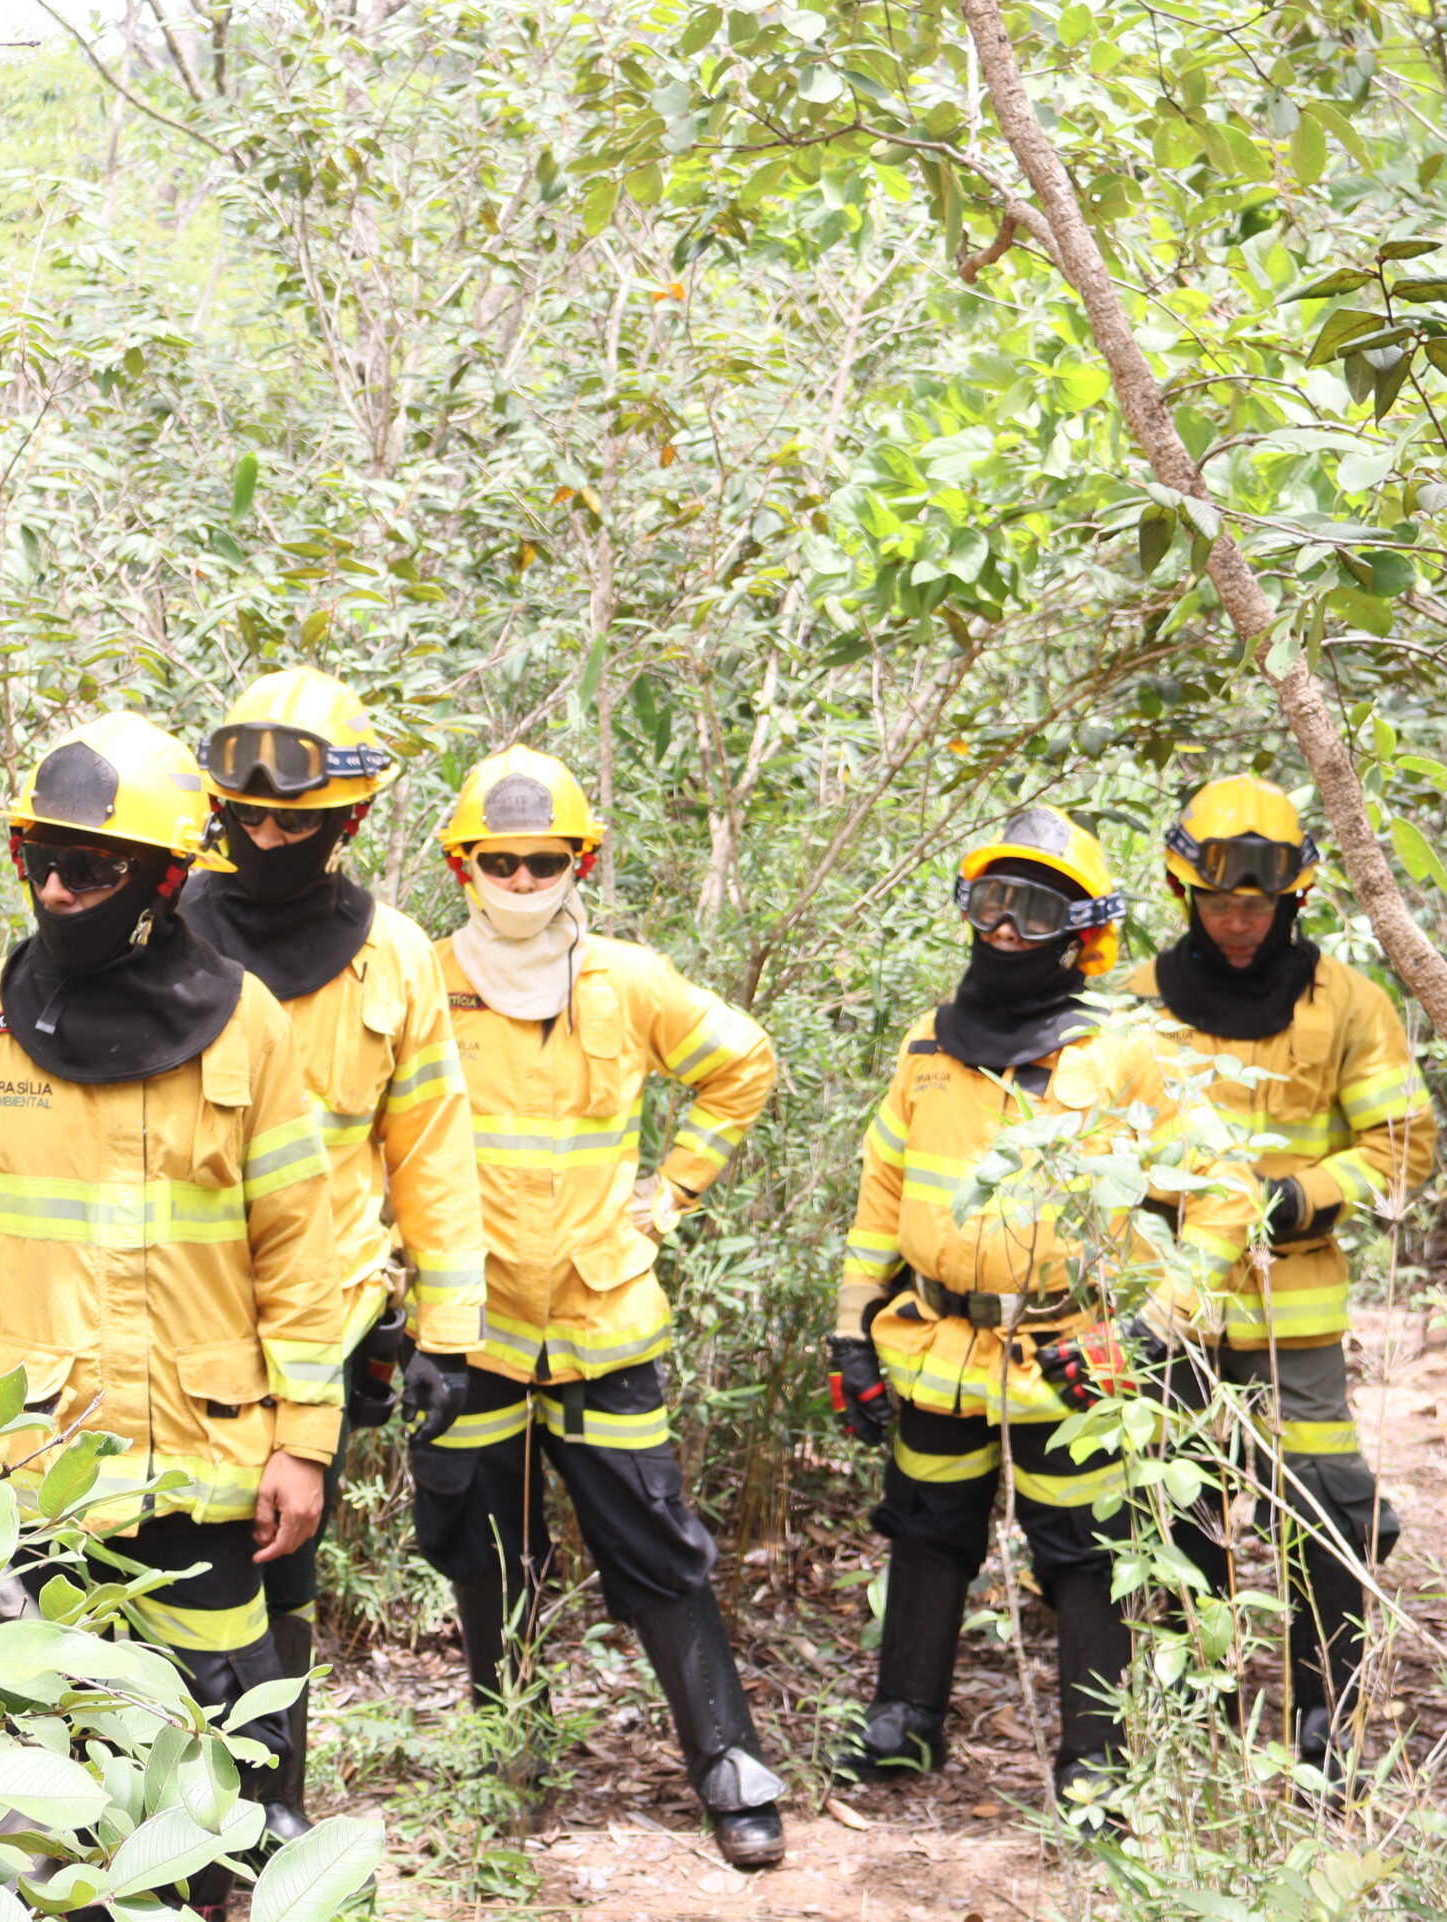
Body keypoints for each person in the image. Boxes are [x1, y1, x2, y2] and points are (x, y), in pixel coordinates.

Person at [0, 711, 347, 1870]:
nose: (59, 888)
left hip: (206, 1460)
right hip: (24, 1467)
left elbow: (298, 1251)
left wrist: (306, 1440)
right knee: (37, 1767)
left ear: (163, 877)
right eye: (40, 859)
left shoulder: (250, 1025)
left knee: (209, 1758)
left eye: (89, 865)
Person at [826, 805, 1253, 1820]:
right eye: (988, 901)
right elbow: (882, 1191)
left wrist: (1151, 1329)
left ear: (1083, 929)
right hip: (933, 1343)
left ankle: (1095, 1766)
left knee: (1081, 1551)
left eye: (1033, 906)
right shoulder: (926, 1043)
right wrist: (850, 1327)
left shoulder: (1122, 1050)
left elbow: (1225, 1191)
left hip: (1072, 1353)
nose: (1004, 927)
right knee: (926, 1530)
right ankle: (901, 1723)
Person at [413, 746, 786, 1869]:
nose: (521, 883)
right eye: (499, 862)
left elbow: (744, 1064)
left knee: (657, 1542)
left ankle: (728, 1764)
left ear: (581, 862)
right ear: (461, 865)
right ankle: (510, 1755)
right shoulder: (420, 981)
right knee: (483, 1545)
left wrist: (669, 1189)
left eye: (543, 862)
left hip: (599, 1313)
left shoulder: (628, 978)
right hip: (465, 1320)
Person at [177, 667, 486, 1831]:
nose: (264, 836)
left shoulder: (394, 957)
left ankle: (273, 1801)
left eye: (292, 822)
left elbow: (433, 1152)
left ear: (346, 820)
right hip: (175, 1301)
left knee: (281, 1549)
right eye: (245, 815)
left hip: (324, 1318)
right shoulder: (162, 930)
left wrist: (447, 1336)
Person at [1129, 775, 1436, 1787]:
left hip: (1293, 1312)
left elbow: (1401, 1141)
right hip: (1169, 1311)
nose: (1237, 920)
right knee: (1178, 1509)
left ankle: (1322, 1724)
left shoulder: (1345, 999)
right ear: (1184, 893)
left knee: (1323, 1508)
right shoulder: (1132, 1002)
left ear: (1294, 897)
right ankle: (1195, 1712)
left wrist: (1306, 1194)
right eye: (1218, 901)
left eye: (1257, 903)